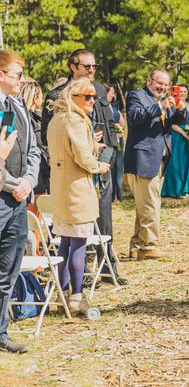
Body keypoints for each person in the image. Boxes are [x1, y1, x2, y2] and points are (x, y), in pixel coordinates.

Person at [42, 49, 125, 284]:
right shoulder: (58, 94)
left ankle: (107, 266)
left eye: (94, 67)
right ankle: (82, 274)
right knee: (73, 227)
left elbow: (109, 127)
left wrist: (105, 155)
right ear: (73, 66)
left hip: (101, 160)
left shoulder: (98, 90)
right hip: (72, 168)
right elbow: (49, 136)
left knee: (104, 215)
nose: (91, 71)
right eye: (87, 66)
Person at [48, 78, 111, 317]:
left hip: (61, 188)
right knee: (78, 244)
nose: (92, 101)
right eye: (87, 96)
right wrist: (99, 166)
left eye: (94, 96)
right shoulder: (74, 120)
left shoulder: (57, 118)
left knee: (65, 242)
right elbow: (82, 158)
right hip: (76, 190)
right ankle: (76, 296)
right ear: (73, 97)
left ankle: (62, 296)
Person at [0, 51, 40, 354]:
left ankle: (1, 333)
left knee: (8, 270)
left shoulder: (17, 106)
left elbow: (33, 150)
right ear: (0, 73)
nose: (22, 80)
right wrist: (13, 184)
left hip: (18, 200)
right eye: (17, 74)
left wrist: (28, 181)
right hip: (4, 194)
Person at [124, 69, 187, 261]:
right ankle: (147, 246)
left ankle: (136, 246)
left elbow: (176, 120)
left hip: (159, 159)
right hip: (143, 159)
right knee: (151, 205)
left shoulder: (164, 100)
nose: (163, 88)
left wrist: (180, 108)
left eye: (167, 86)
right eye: (160, 84)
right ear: (149, 80)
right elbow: (135, 117)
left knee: (145, 205)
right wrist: (159, 105)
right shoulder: (137, 95)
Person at [161, 85, 189, 198]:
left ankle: (188, 189)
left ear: (187, 93)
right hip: (177, 136)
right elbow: (171, 123)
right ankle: (175, 190)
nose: (182, 93)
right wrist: (184, 133)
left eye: (185, 91)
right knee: (176, 163)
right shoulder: (173, 103)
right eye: (180, 91)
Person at [19, 80, 49, 195]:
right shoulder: (34, 120)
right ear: (35, 98)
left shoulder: (20, 117)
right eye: (41, 97)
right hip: (37, 175)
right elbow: (42, 148)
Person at [104, 83, 125, 202]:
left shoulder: (114, 107)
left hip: (119, 140)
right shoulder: (103, 108)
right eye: (111, 92)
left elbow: (122, 121)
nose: (113, 94)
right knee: (111, 167)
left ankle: (119, 193)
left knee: (119, 166)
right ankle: (111, 195)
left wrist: (121, 130)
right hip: (109, 141)